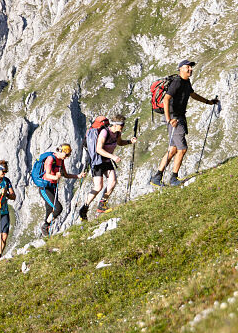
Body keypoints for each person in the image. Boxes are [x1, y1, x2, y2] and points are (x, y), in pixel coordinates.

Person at [149, 59, 219, 187]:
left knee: (173, 149)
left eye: (191, 67)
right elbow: (166, 99)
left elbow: (193, 95)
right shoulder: (177, 82)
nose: (190, 69)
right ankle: (173, 178)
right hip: (175, 119)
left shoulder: (186, 82)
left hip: (178, 117)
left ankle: (157, 177)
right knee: (182, 149)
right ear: (180, 69)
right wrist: (169, 119)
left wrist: (208, 102)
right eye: (187, 67)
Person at [84, 115, 134, 216]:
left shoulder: (117, 133)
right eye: (121, 125)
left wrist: (129, 141)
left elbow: (120, 142)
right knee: (98, 187)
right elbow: (98, 149)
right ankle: (85, 208)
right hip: (98, 161)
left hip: (107, 161)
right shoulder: (104, 132)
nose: (123, 127)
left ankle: (102, 205)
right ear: (115, 125)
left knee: (113, 182)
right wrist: (113, 157)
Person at [33, 146, 83, 235]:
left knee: (50, 209)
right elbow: (47, 175)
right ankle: (45, 226)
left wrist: (77, 176)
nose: (67, 157)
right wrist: (56, 177)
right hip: (44, 188)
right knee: (58, 208)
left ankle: (46, 232)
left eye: (68, 155)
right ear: (61, 151)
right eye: (66, 154)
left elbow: (66, 175)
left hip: (52, 187)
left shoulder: (61, 161)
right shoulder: (50, 159)